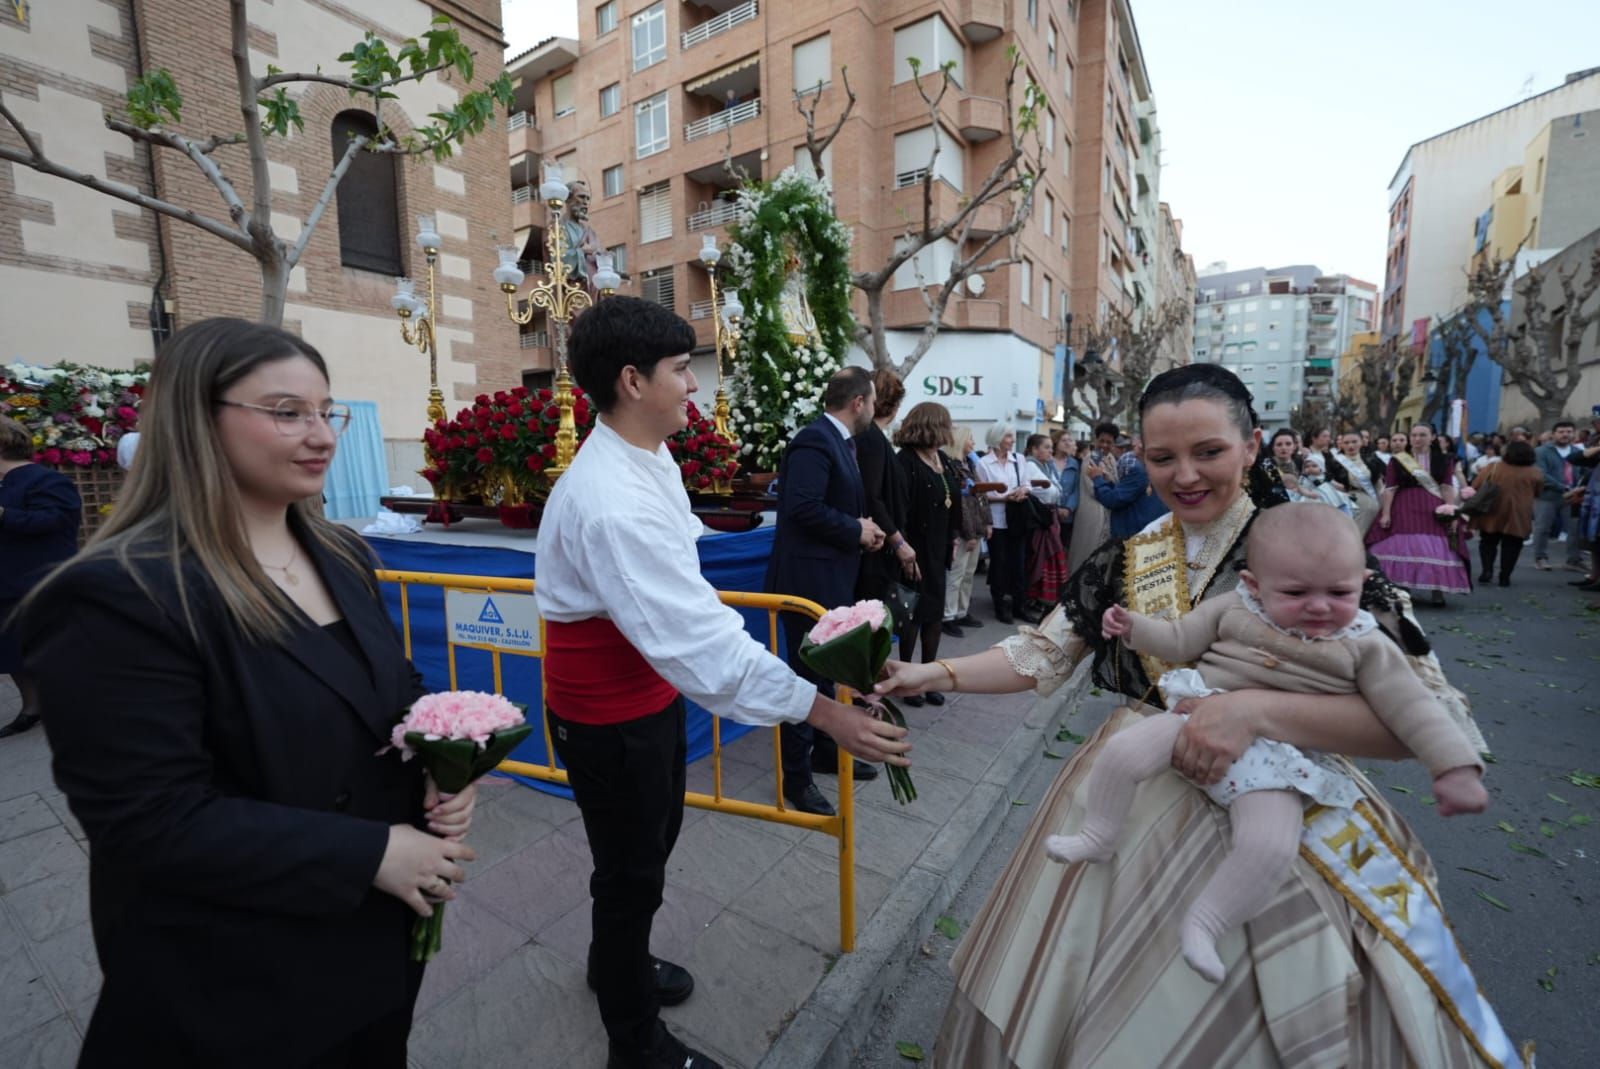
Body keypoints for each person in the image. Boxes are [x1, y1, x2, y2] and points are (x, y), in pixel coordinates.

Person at [876, 364, 1520, 1068]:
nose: (1185, 474)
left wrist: (1251, 709)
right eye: (1162, 457)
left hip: (1280, 814)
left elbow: (1426, 719)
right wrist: (929, 672)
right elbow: (1041, 652)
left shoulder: (1311, 551)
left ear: (1250, 446)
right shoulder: (1129, 557)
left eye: (1208, 451)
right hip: (1133, 794)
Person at [19, 318, 479, 1065]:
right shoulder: (121, 593)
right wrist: (371, 852)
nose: (322, 435)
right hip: (234, 977)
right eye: (286, 411)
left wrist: (440, 762)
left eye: (327, 411)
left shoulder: (340, 552)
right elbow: (149, 819)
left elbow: (393, 692)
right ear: (198, 420)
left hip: (370, 943)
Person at [536, 301, 909, 1069]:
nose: (692, 388)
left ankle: (618, 966)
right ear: (633, 381)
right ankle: (632, 1041)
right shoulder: (610, 501)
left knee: (649, 849)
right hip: (607, 715)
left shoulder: (651, 458)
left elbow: (684, 561)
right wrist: (820, 709)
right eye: (682, 371)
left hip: (646, 700)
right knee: (630, 869)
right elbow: (697, 643)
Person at [1058, 502, 1486, 982]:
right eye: (1297, 592)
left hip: (1281, 761)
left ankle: (1207, 922)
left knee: (1269, 844)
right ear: (1253, 584)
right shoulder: (1232, 608)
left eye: (1339, 592)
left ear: (1364, 581)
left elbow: (1416, 709)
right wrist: (1136, 628)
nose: (1320, 606)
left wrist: (1455, 769)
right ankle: (1098, 835)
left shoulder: (1367, 644)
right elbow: (1179, 639)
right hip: (1198, 713)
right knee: (1120, 752)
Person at [765, 365, 890, 816]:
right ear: (858, 402)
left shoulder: (840, 442)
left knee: (823, 675)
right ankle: (795, 781)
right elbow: (802, 507)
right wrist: (853, 529)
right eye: (873, 402)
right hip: (805, 584)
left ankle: (822, 754)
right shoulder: (815, 439)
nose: (874, 410)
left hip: (829, 579)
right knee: (803, 680)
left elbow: (837, 509)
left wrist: (864, 530)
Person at [0, 415, 82, 737]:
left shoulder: (46, 480)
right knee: (10, 651)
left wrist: (4, 515)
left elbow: (51, 521)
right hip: (5, 584)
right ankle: (32, 707)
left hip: (40, 581)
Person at [892, 402, 962, 706]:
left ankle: (927, 677)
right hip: (914, 547)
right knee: (912, 616)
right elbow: (899, 510)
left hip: (938, 546)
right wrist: (903, 549)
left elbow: (955, 498)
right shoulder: (905, 461)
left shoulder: (942, 458)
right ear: (933, 425)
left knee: (934, 615)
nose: (951, 430)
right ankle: (907, 681)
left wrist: (954, 535)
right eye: (946, 424)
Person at [1368, 422, 1472, 606]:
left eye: (1422, 435)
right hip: (1403, 506)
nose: (1417, 439)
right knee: (1403, 545)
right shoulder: (1398, 459)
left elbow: (1446, 487)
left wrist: (1451, 510)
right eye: (1414, 435)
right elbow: (1390, 489)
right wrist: (1386, 514)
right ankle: (1403, 588)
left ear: (1432, 437)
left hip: (1433, 507)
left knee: (1437, 547)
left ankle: (1437, 591)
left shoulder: (1444, 460)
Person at [856, 369, 916, 602]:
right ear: (893, 405)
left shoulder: (874, 436)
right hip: (878, 548)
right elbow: (873, 496)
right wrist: (898, 541)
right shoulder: (871, 437)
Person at [974, 422, 1037, 625]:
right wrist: (1004, 498)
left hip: (1016, 519)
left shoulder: (1019, 459)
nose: (1012, 440)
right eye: (1009, 436)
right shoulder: (984, 463)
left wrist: (1022, 491)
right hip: (996, 519)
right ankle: (1000, 606)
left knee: (1018, 563)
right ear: (998, 438)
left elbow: (1028, 484)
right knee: (999, 564)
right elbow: (981, 495)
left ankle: (1020, 605)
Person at [1469, 439, 1545, 587]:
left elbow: (1476, 485)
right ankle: (1505, 576)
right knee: (1513, 545)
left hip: (1492, 509)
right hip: (1519, 513)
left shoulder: (1493, 467)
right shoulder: (1535, 472)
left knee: (1488, 542)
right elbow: (1538, 492)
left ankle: (1487, 571)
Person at [942, 427, 989, 639]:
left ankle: (961, 611)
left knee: (967, 574)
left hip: (975, 528)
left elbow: (981, 496)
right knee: (956, 575)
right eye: (970, 437)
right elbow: (959, 505)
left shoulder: (970, 464)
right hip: (964, 531)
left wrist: (987, 522)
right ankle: (948, 616)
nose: (973, 441)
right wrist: (969, 533)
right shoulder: (951, 467)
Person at [1022, 433, 1069, 615]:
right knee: (1041, 558)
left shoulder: (1045, 465)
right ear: (1035, 449)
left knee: (1050, 558)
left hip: (1049, 517)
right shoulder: (1030, 465)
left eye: (1051, 447)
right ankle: (1034, 597)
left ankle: (1042, 597)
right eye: (1046, 447)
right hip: (1040, 519)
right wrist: (1054, 491)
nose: (1051, 451)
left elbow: (1058, 491)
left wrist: (1054, 491)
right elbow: (1051, 493)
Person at [1088, 432, 1168, 539]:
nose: (1133, 451)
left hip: (1137, 536)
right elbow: (1128, 493)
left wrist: (1097, 479)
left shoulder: (1139, 471)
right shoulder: (1156, 468)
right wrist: (1108, 483)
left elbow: (1112, 500)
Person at [1532, 419, 1585, 571]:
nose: (1565, 435)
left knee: (1574, 528)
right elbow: (1541, 473)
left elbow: (1584, 471)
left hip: (1574, 496)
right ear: (1554, 434)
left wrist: (1580, 488)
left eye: (1568, 432)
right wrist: (1564, 487)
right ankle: (1540, 558)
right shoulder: (1541, 451)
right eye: (1561, 432)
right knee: (1543, 527)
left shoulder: (1578, 452)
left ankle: (1574, 560)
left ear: (1574, 434)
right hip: (1547, 495)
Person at [1067, 422, 1117, 571]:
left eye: (1109, 442)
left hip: (1107, 510)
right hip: (1092, 512)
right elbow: (1093, 488)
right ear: (1095, 440)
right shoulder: (1091, 459)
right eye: (1101, 441)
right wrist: (1109, 484)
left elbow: (1115, 483)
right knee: (1087, 551)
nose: (1104, 445)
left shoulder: (1111, 459)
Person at [1327, 430, 1386, 534]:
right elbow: (1328, 482)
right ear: (1341, 444)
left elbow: (1378, 482)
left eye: (1354, 442)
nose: (1350, 445)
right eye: (1346, 443)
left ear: (1361, 442)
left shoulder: (1371, 459)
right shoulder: (1334, 462)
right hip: (1343, 498)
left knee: (1372, 507)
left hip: (1369, 495)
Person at [1288, 452, 1355, 516]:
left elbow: (1337, 485)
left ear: (1321, 467)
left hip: (1329, 496)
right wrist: (1308, 493)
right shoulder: (1305, 478)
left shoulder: (1326, 476)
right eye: (1307, 466)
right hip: (1314, 497)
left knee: (1341, 499)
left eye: (1314, 466)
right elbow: (1301, 488)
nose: (1310, 468)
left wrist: (1338, 486)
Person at [1049, 432, 1080, 550]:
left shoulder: (1074, 463)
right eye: (1063, 440)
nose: (1067, 443)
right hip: (1049, 512)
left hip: (1066, 515)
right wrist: (1056, 508)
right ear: (1056, 443)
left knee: (1063, 548)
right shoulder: (1047, 461)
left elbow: (1076, 489)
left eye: (1070, 440)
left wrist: (1068, 508)